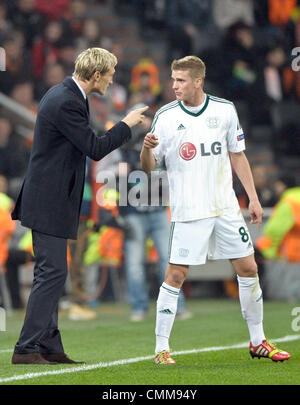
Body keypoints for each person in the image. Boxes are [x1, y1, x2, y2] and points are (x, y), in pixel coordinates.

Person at [140, 55, 291, 365]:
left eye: (180, 80)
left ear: (198, 81)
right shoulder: (166, 116)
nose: (174, 85)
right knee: (176, 274)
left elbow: (238, 156)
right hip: (189, 210)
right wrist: (145, 148)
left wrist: (252, 197)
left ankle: (258, 340)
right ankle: (161, 348)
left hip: (225, 208)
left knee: (249, 268)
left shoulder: (225, 110)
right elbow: (149, 168)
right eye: (173, 80)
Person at [11, 47, 148, 365]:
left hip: (52, 199)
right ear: (96, 74)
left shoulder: (68, 95)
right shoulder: (67, 100)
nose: (113, 80)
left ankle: (48, 346)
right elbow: (95, 148)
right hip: (48, 200)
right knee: (52, 273)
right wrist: (127, 124)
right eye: (110, 74)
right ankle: (27, 347)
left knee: (54, 273)